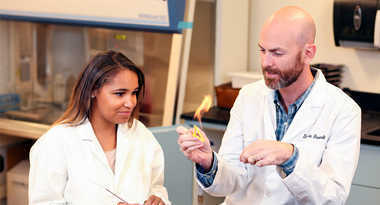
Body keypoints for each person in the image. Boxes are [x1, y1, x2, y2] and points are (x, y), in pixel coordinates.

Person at [177, 6, 361, 205]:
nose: (266, 62)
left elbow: (332, 198)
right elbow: (232, 180)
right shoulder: (249, 96)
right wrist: (209, 163)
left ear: (308, 53)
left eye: (277, 53)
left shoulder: (343, 111)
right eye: (262, 50)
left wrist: (290, 157)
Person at [29, 50, 170, 205]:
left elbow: (156, 187)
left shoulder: (140, 134)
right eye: (120, 93)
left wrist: (159, 200)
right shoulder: (56, 142)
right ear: (93, 90)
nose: (131, 103)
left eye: (134, 93)